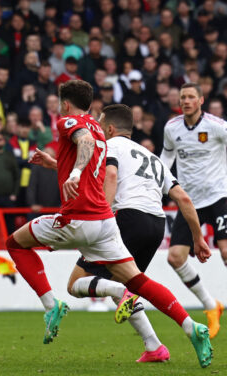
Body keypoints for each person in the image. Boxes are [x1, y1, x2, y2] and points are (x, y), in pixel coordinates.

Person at [7, 80, 212, 368]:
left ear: (66, 104)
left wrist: (75, 174)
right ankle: (184, 330)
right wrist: (198, 237)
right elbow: (181, 196)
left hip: (105, 216)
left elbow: (99, 163)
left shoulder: (84, 129)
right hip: (141, 222)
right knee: (136, 281)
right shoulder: (143, 153)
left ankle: (54, 305)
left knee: (20, 247)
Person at [61, 104, 208, 362]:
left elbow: (111, 176)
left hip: (127, 217)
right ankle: (155, 346)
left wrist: (101, 217)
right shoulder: (153, 157)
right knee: (130, 282)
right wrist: (198, 238)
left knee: (75, 284)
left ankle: (133, 303)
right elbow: (183, 198)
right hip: (156, 225)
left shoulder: (111, 146)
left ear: (109, 128)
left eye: (101, 123)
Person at [160, 82, 226, 339]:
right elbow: (166, 159)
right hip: (189, 204)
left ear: (201, 100)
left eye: (191, 97)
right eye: (183, 97)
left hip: (219, 197)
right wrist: (160, 181)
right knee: (175, 257)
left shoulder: (217, 126)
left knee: (225, 253)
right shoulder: (171, 128)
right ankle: (212, 306)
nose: (186, 101)